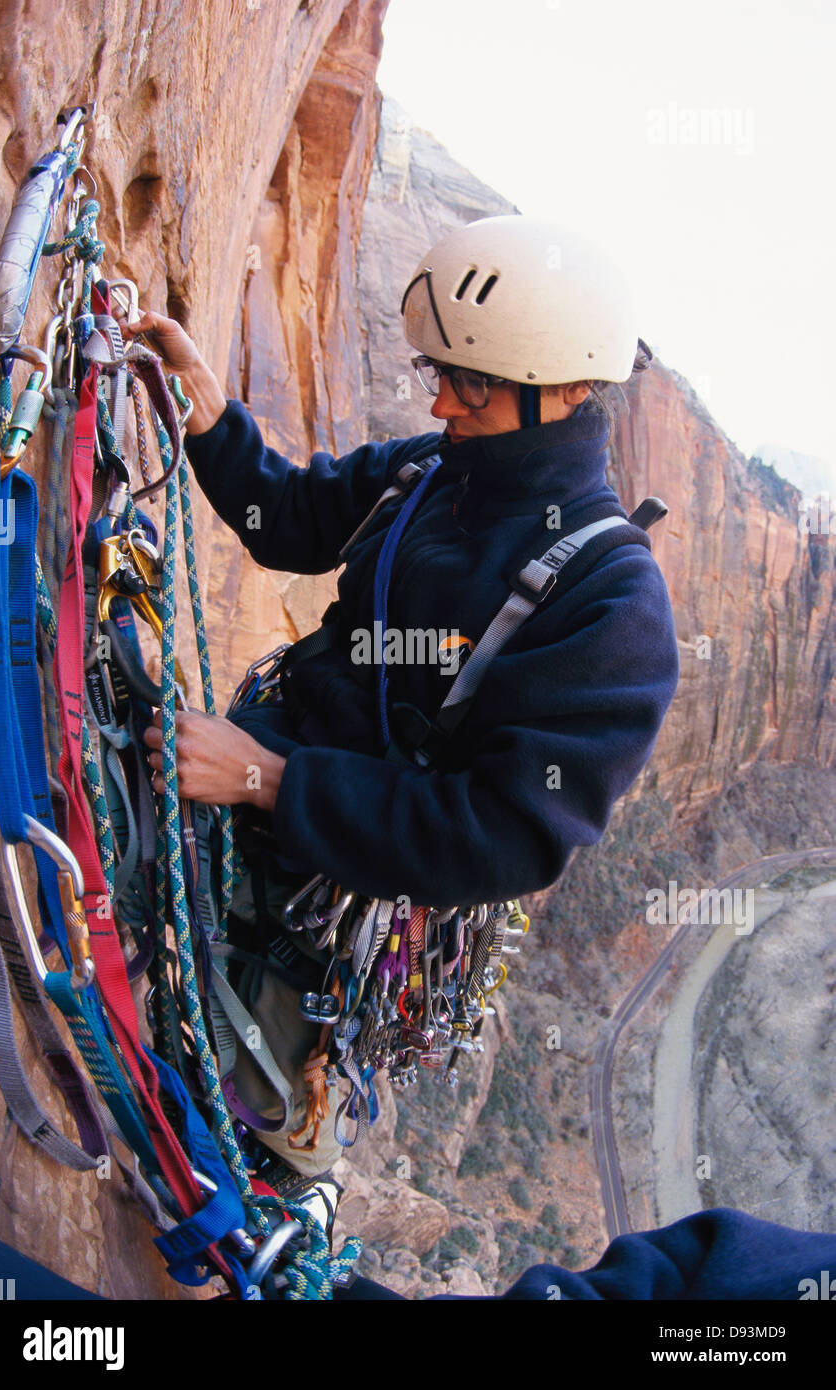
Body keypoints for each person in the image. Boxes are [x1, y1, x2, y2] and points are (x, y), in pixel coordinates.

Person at [133, 216, 679, 1198]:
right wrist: (210, 420)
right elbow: (290, 518)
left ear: (558, 389)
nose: (438, 398)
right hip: (256, 775)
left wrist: (266, 780)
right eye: (438, 369)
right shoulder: (432, 472)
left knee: (223, 1149)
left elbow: (498, 835)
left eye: (466, 381)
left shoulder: (612, 604)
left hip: (343, 906)